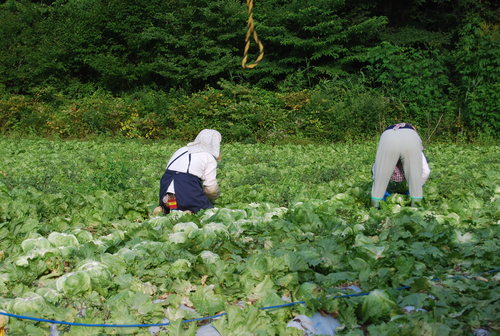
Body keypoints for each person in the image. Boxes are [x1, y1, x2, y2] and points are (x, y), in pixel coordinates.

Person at [153, 129, 221, 215]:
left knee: (173, 206)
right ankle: (187, 212)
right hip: (185, 186)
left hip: (166, 186)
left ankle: (164, 208)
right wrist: (213, 197)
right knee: (205, 211)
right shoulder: (208, 157)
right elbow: (211, 189)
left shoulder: (182, 149)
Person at [371, 123, 430, 208]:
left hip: (388, 139)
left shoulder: (388, 132)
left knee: (380, 180)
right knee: (415, 178)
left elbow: (377, 169)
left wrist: (378, 183)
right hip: (411, 140)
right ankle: (416, 211)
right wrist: (416, 185)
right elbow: (426, 171)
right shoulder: (413, 135)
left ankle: (375, 210)